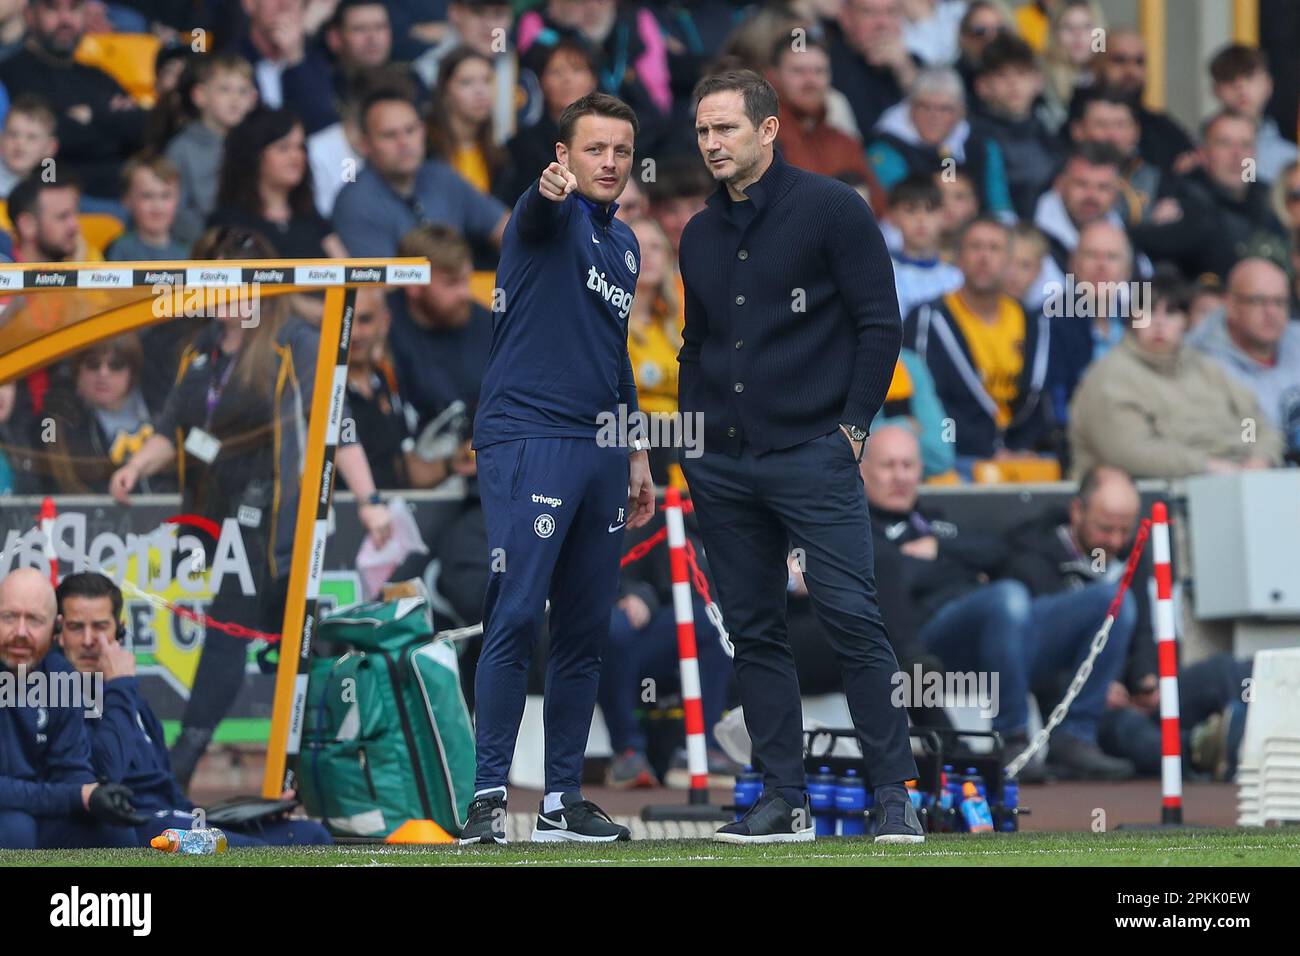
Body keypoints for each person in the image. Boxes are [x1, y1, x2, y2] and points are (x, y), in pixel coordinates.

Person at [678, 69, 921, 844]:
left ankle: (894, 797)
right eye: (703, 131)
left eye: (726, 129)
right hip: (722, 461)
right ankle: (781, 798)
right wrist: (690, 441)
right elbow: (695, 346)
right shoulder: (697, 232)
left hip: (814, 451)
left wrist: (852, 430)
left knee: (854, 619)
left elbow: (880, 325)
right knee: (753, 632)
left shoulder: (833, 210)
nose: (712, 144)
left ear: (769, 128)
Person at [106, 227, 395, 791]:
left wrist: (371, 499)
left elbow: (337, 423)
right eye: (218, 277)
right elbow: (173, 429)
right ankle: (306, 774)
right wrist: (137, 466)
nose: (227, 291)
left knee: (273, 642)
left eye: (239, 279)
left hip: (281, 523)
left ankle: (312, 769)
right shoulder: (200, 351)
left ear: (267, 285)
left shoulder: (296, 341)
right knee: (255, 639)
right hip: (219, 522)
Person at [460, 91, 654, 845]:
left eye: (621, 152)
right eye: (594, 150)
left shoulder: (628, 245)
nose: (609, 163)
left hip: (601, 446)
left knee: (583, 627)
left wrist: (636, 449)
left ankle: (561, 801)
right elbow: (539, 213)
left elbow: (615, 353)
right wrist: (547, 194)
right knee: (515, 612)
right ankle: (486, 797)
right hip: (529, 434)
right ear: (562, 158)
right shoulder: (546, 214)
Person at [862, 426, 1138, 780]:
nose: (900, 476)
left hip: (1004, 631)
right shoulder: (860, 527)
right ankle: (1011, 738)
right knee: (1006, 596)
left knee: (1112, 600)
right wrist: (945, 566)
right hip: (929, 647)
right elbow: (895, 576)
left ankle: (1075, 736)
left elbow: (1002, 551)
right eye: (889, 466)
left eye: (908, 465)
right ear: (862, 469)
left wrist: (940, 551)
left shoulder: (938, 520)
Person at [55, 571, 333, 847]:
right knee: (252, 853)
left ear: (121, 629)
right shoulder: (61, 695)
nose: (89, 640)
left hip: (177, 820)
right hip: (142, 831)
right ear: (60, 633)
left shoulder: (130, 697)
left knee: (309, 836)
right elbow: (107, 774)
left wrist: (245, 811)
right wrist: (119, 685)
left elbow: (168, 792)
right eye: (77, 627)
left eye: (100, 627)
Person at [1068, 269, 1284, 478]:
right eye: (1149, 311)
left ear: (1186, 321)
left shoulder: (1207, 369)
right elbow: (1129, 451)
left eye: (1171, 312)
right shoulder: (1109, 376)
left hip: (1237, 481)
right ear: (1131, 318)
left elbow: (1254, 422)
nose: (1160, 322)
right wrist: (1207, 466)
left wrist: (1258, 456)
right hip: (1147, 496)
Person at [0, 567, 144, 849]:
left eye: (34, 620)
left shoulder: (61, 676)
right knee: (17, 830)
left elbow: (72, 772)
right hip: (13, 815)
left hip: (34, 806)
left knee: (114, 833)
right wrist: (80, 795)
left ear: (55, 628)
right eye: (8, 618)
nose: (20, 632)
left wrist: (93, 795)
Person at [903, 217, 1052, 471]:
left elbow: (1037, 401)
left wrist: (1017, 450)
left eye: (995, 249)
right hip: (957, 458)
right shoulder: (928, 320)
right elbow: (925, 402)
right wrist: (988, 450)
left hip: (1019, 457)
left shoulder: (1034, 324)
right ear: (958, 258)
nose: (984, 257)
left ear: (1008, 262)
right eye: (975, 247)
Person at [331, 87, 508, 258]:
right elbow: (382, 284)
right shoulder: (355, 201)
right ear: (364, 144)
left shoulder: (441, 176)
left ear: (423, 131)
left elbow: (508, 230)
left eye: (410, 130)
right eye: (389, 135)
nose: (404, 142)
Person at [0, 0, 146, 199]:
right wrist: (110, 122)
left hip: (124, 195)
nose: (65, 19)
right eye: (53, 8)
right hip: (54, 193)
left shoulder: (98, 76)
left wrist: (92, 115)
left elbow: (142, 127)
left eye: (74, 8)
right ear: (30, 15)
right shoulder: (12, 73)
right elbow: (49, 138)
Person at [1187, 257, 1300, 459]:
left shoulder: (1296, 339)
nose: (1271, 312)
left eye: (1279, 302)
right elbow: (1241, 440)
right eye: (1259, 301)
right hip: (1251, 476)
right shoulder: (1198, 362)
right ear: (1231, 305)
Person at [867, 66, 1013, 220]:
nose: (934, 117)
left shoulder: (982, 146)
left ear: (960, 112)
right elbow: (896, 210)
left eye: (945, 109)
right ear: (910, 108)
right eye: (925, 107)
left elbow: (999, 206)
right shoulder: (884, 150)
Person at [208, 107, 347, 261]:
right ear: (255, 154)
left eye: (300, 147)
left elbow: (348, 274)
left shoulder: (312, 219)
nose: (296, 156)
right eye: (283, 148)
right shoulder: (229, 223)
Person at [38, 334, 164, 495]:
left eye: (116, 365)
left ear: (132, 372)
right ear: (77, 372)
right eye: (93, 364)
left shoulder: (161, 409)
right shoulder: (57, 426)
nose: (103, 373)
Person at [767, 36, 883, 205]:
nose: (810, 81)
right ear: (773, 76)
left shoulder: (845, 143)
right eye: (798, 71)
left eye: (819, 71)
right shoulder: (760, 136)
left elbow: (877, 209)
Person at [163, 52, 258, 246]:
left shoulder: (257, 146)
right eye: (225, 90)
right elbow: (176, 211)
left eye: (243, 91)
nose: (235, 99)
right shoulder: (180, 149)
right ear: (199, 96)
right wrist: (210, 244)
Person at [426, 46, 507, 195]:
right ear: (445, 91)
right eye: (466, 82)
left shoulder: (502, 159)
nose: (480, 91)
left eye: (487, 80)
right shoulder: (425, 152)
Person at [104, 156, 188, 261]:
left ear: (178, 198)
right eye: (147, 196)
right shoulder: (119, 249)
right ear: (127, 200)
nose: (157, 205)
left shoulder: (188, 251)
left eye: (165, 196)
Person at [0, 94, 58, 199]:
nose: (20, 143)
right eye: (13, 134)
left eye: (31, 137)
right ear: (1, 139)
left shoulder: (50, 178)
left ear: (50, 147)